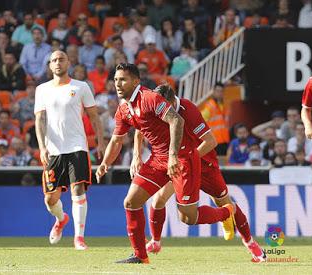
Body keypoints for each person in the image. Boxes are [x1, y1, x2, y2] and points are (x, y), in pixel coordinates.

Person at [95, 64, 235, 264]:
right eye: (116, 80)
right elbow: (117, 140)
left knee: (188, 217)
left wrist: (172, 156)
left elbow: (176, 121)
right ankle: (140, 255)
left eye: (123, 79)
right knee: (131, 202)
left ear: (136, 81)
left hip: (183, 158)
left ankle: (227, 211)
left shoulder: (150, 98)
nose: (117, 84)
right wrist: (104, 164)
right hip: (157, 160)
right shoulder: (124, 109)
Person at [134, 85, 266, 263]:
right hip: (179, 164)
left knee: (224, 202)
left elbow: (210, 142)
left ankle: (251, 244)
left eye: (165, 106)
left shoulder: (188, 110)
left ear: (173, 101)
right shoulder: (157, 108)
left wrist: (188, 159)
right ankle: (156, 242)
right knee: (158, 200)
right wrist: (136, 155)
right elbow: (139, 129)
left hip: (204, 165)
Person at [34, 50, 105, 250]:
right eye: (54, 60)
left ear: (68, 62)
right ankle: (61, 218)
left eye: (61, 59)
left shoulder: (81, 87)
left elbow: (94, 117)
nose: (58, 62)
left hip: (77, 146)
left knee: (78, 188)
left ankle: (79, 238)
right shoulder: (42, 89)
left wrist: (100, 142)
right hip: (53, 149)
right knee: (50, 199)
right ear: (50, 65)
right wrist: (41, 147)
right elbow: (39, 120)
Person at [200, 82, 230, 155]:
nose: (219, 93)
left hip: (224, 139)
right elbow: (201, 119)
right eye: (217, 91)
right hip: (215, 140)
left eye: (221, 91)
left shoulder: (224, 105)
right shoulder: (210, 105)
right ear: (213, 92)